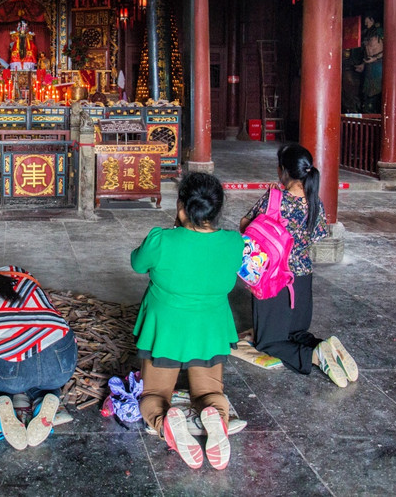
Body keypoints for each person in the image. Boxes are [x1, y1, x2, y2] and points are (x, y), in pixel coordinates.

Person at [131, 172, 243, 471]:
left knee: (154, 395)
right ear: (216, 209)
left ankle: (166, 421)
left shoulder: (161, 239)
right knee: (210, 393)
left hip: (166, 331)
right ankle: (216, 419)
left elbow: (137, 263)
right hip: (210, 331)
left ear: (182, 207)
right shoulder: (234, 242)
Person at [239, 143, 358, 389]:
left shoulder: (275, 198)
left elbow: (245, 228)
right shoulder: (315, 202)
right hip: (303, 279)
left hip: (274, 280)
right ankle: (324, 346)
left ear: (283, 171)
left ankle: (314, 355)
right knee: (297, 333)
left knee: (269, 343)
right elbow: (316, 237)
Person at [0, 249, 77, 451]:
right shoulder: (19, 272)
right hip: (64, 357)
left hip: (14, 371)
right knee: (44, 380)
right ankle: (46, 399)